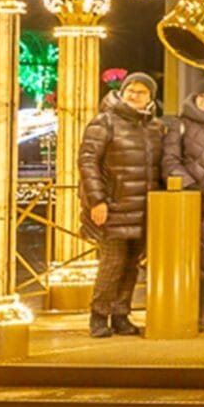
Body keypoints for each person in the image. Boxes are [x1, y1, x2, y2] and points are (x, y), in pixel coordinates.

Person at [79, 71, 163, 337]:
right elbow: (88, 162)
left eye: (142, 92)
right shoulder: (105, 122)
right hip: (113, 206)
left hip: (143, 209)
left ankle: (121, 314)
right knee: (112, 262)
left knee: (131, 264)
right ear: (122, 92)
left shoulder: (155, 127)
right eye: (131, 90)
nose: (135, 96)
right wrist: (97, 200)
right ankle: (98, 314)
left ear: (151, 97)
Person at [162, 75, 204, 316]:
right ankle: (198, 312)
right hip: (197, 201)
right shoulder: (180, 125)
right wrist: (189, 185)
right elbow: (170, 160)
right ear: (195, 98)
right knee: (197, 257)